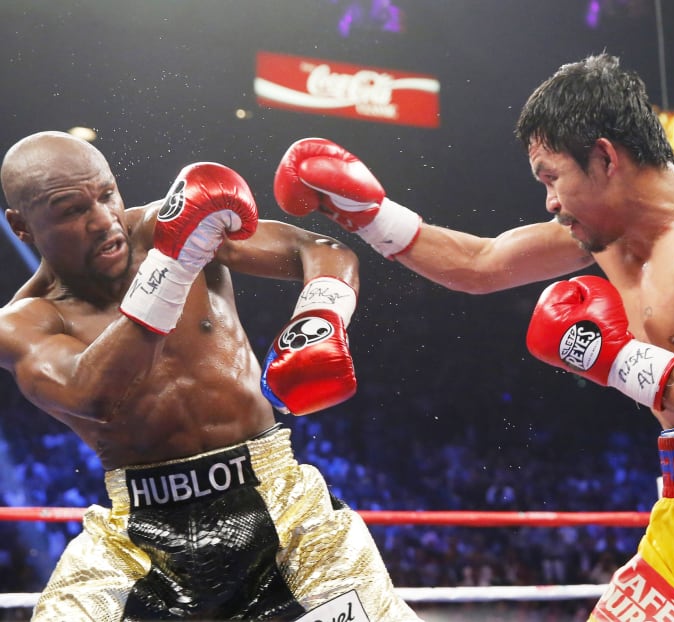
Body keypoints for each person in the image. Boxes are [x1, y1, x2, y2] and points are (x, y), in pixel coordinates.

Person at [271, 53, 674, 620]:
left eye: (552, 177)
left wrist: (614, 359)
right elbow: (481, 264)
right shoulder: (604, 236)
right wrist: (368, 214)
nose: (551, 202)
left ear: (605, 158)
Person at [0, 131, 422, 622]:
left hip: (282, 511)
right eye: (70, 210)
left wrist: (319, 318)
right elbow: (91, 393)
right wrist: (175, 265)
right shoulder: (21, 323)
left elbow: (319, 250)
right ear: (21, 226)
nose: (102, 220)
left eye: (107, 194)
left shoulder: (169, 224)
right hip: (140, 538)